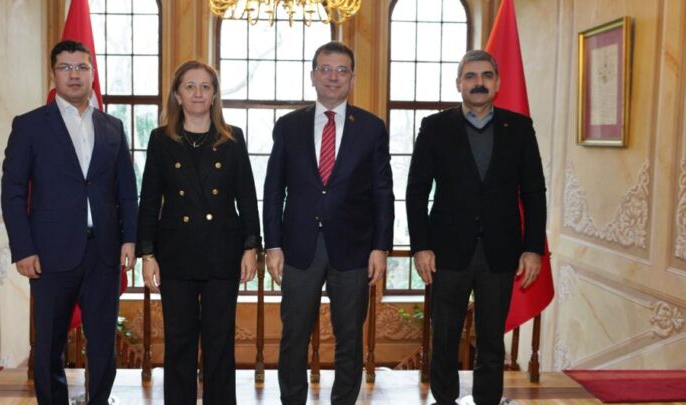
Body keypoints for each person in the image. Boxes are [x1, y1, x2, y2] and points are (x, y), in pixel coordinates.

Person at [406, 49, 547, 405]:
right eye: (470, 76)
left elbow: (534, 192)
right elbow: (416, 190)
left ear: (498, 83)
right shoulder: (435, 127)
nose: (478, 82)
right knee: (445, 338)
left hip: (501, 252)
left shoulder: (519, 128)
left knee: (491, 342)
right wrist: (420, 246)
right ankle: (445, 400)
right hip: (447, 252)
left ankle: (487, 400)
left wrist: (533, 248)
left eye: (486, 75)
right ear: (459, 84)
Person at [1, 40, 138, 404]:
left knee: (103, 345)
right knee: (48, 346)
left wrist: (130, 238)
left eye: (81, 67)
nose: (74, 75)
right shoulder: (30, 125)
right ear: (54, 74)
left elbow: (127, 190)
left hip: (104, 254)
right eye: (65, 67)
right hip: (49, 255)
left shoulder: (112, 126)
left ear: (92, 73)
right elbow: (13, 191)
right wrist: (23, 248)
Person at [263, 41, 394, 405]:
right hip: (298, 248)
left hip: (353, 250)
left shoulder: (371, 127)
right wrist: (272, 245)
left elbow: (383, 191)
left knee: (349, 338)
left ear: (352, 77)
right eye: (325, 69)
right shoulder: (289, 126)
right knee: (294, 336)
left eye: (341, 70)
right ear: (312, 76)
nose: (333, 77)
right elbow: (273, 190)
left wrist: (381, 247)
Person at [136, 60, 260, 405]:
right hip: (176, 254)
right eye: (189, 86)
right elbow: (149, 200)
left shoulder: (232, 138)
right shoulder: (161, 139)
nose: (198, 93)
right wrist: (148, 254)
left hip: (223, 252)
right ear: (177, 95)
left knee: (220, 343)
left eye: (206, 86)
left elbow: (247, 197)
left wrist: (251, 247)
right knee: (179, 343)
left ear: (215, 94)